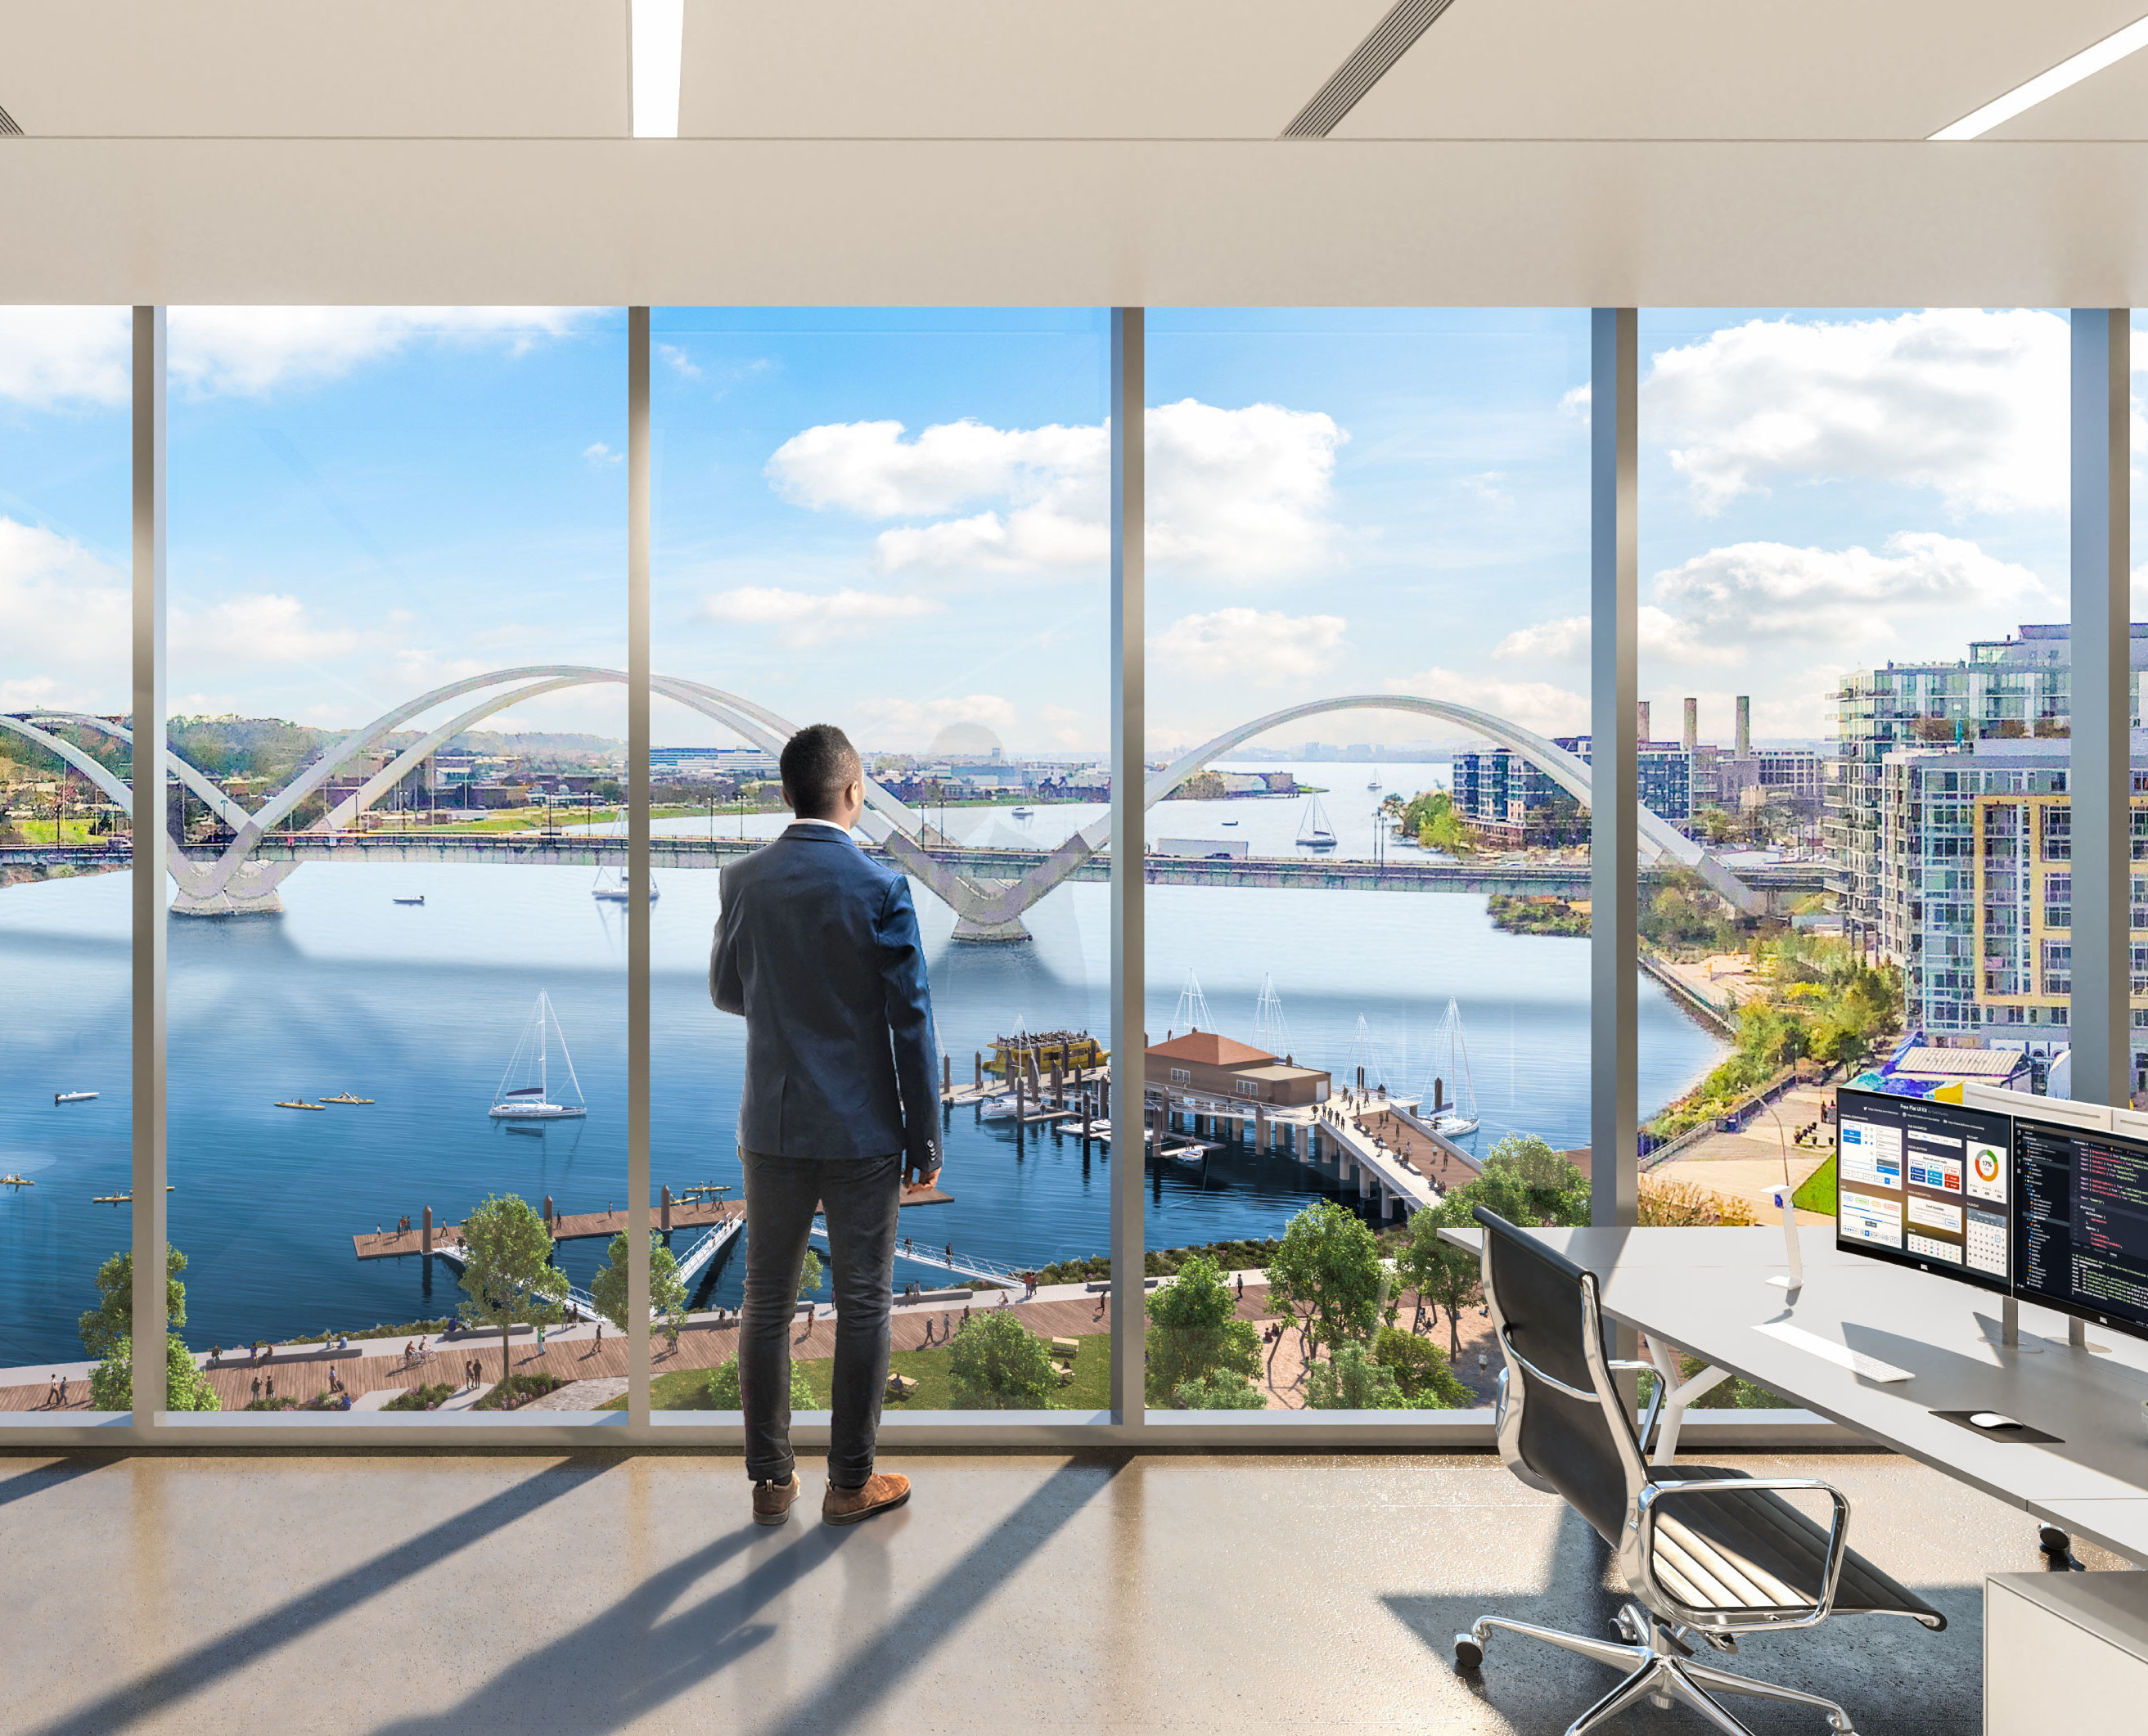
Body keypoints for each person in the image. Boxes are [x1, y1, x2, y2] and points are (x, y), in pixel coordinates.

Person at [714, 724, 938, 1530]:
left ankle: (771, 1485)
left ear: (787, 794)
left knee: (764, 1304)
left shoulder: (744, 880)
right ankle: (851, 1484)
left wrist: (787, 1007)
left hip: (770, 1123)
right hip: (862, 1130)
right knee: (865, 1303)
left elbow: (727, 991)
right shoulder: (881, 887)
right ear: (855, 793)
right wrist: (926, 1136)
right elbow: (910, 1020)